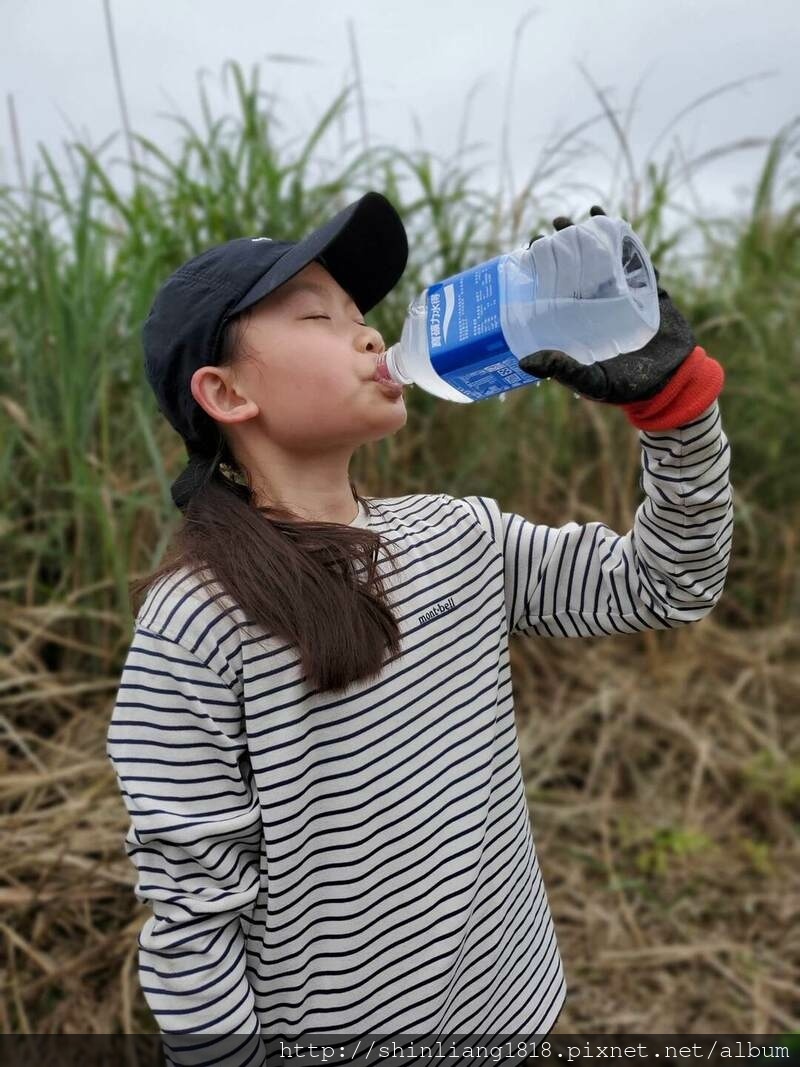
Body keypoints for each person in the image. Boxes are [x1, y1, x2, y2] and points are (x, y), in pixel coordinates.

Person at [106, 192, 732, 1065]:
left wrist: (678, 408)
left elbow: (671, 584)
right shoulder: (196, 620)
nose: (370, 336)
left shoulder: (459, 534)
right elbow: (192, 923)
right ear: (225, 391)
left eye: (364, 317)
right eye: (319, 318)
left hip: (517, 1013)